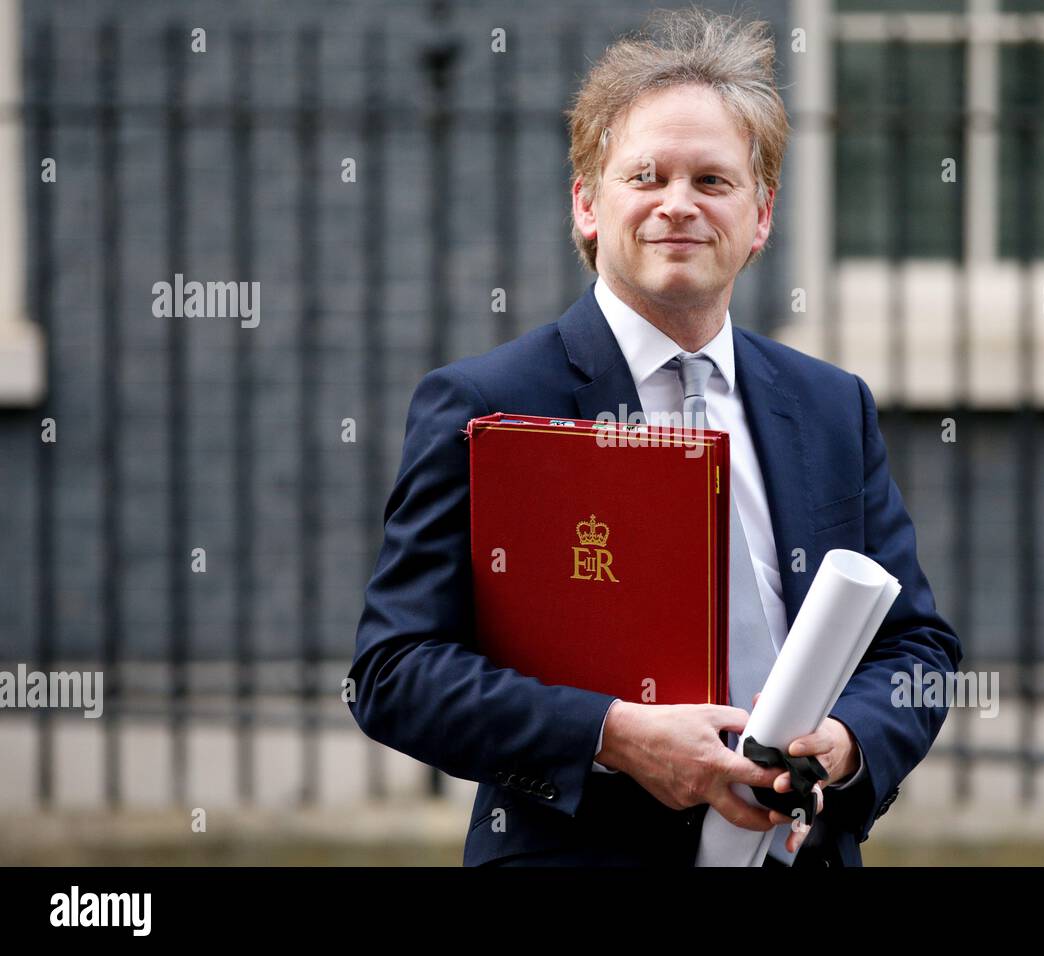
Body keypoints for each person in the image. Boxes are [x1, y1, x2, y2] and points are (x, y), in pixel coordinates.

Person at [348, 7, 960, 867]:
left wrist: (851, 743)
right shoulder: (487, 403)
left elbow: (916, 645)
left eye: (713, 181)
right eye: (647, 176)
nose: (679, 205)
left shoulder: (832, 407)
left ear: (761, 217)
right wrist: (616, 733)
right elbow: (394, 673)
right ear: (588, 204)